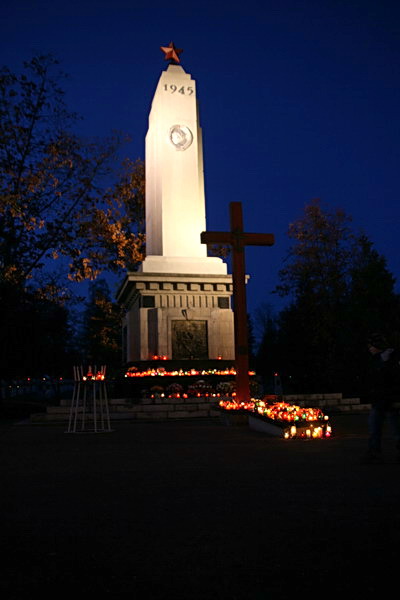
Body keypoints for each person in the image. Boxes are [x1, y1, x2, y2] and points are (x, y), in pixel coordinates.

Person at [362, 333, 400, 464]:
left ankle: (374, 452)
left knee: (395, 428)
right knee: (375, 427)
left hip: (389, 399)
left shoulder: (390, 359)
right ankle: (374, 452)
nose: (369, 348)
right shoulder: (377, 359)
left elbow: (392, 379)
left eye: (371, 345)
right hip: (379, 400)